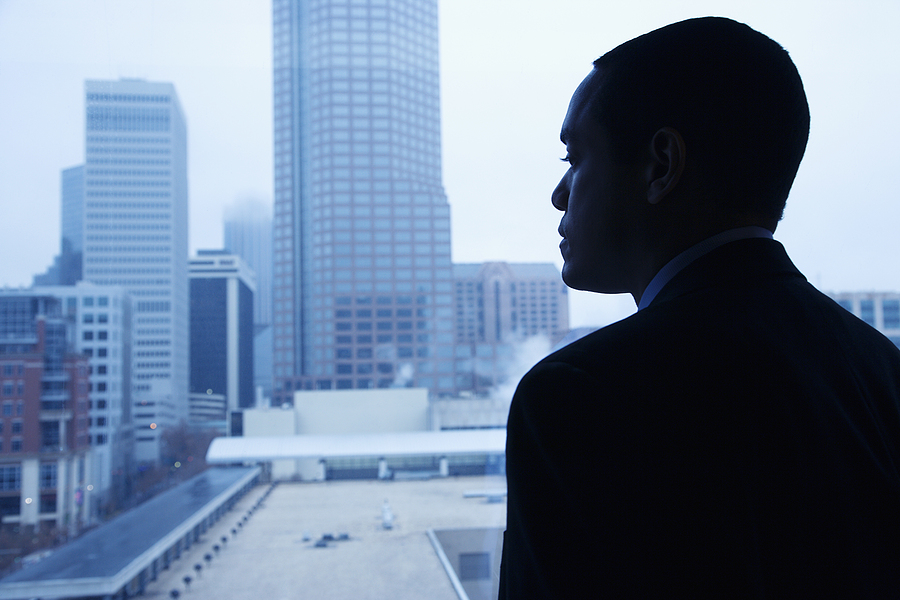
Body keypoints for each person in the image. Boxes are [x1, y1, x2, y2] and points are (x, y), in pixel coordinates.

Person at [498, 16, 900, 599]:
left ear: (661, 165)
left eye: (574, 157)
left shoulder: (579, 394)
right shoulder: (878, 370)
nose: (559, 194)